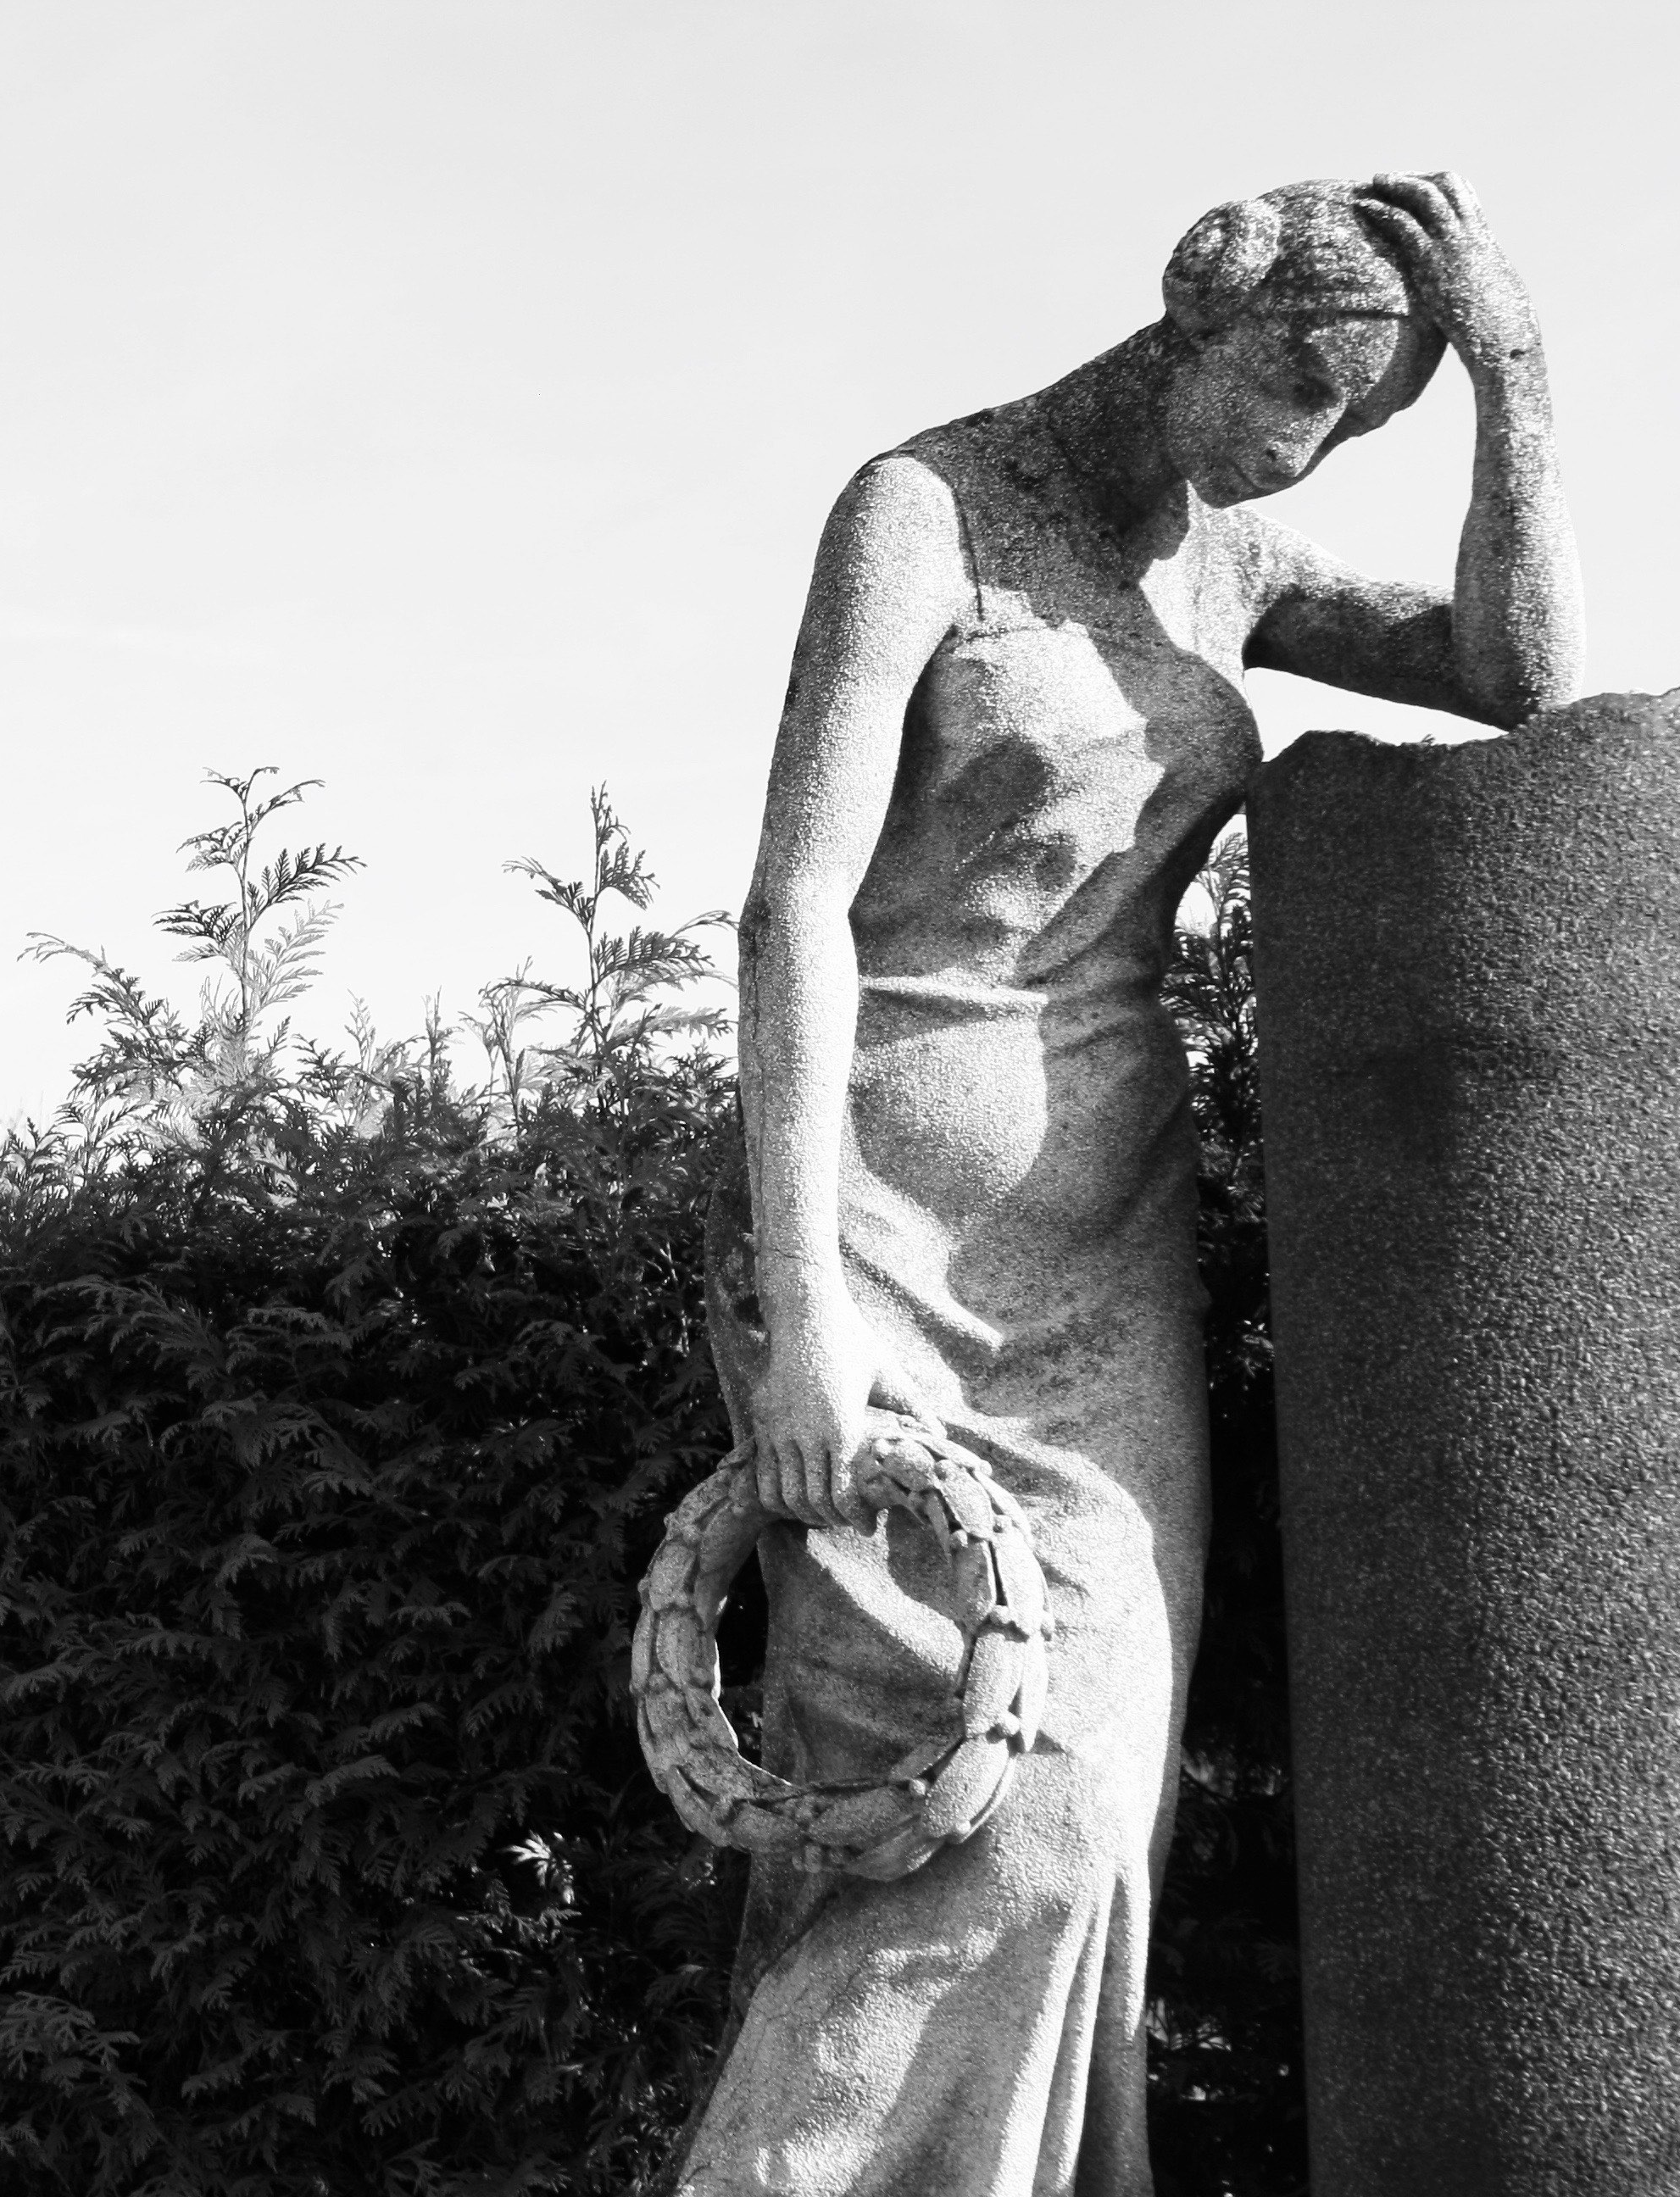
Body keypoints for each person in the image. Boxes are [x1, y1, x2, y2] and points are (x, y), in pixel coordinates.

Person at [678, 173, 1583, 2194]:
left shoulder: (1239, 564)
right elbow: (793, 906)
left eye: (1360, 425)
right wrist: (807, 1308)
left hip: (1104, 1246)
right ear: (1199, 326)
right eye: (1301, 397)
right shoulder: (926, 512)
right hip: (869, 1219)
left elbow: (1520, 672)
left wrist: (1515, 380)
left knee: (1095, 1803)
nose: (1309, 454)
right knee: (945, 1799)